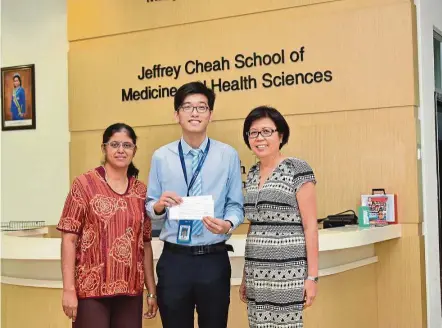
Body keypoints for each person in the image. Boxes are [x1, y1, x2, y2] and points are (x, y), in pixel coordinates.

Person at [146, 81, 244, 328]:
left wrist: (228, 224)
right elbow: (150, 207)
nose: (194, 113)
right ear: (176, 114)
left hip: (213, 259)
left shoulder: (227, 155)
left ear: (210, 114)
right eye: (187, 107)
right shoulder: (161, 156)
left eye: (202, 107)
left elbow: (235, 204)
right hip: (175, 260)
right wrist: (158, 206)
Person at [57, 123, 158, 328]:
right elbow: (69, 239)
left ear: (134, 150)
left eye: (127, 145)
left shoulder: (140, 191)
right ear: (104, 148)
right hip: (90, 291)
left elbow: (145, 244)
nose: (121, 150)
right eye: (114, 144)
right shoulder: (84, 184)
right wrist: (68, 289)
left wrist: (151, 291)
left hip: (130, 292)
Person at [239, 106, 319, 328]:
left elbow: (310, 226)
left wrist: (312, 278)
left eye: (267, 131)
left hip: (287, 271)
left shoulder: (297, 169)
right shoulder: (253, 173)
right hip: (257, 272)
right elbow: (254, 224)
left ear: (281, 135)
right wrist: (246, 275)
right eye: (253, 133)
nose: (259, 138)